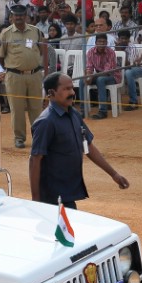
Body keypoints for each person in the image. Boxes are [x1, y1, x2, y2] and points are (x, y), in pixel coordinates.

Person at [29, 72, 128, 208]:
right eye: (66, 89)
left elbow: (88, 146)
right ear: (51, 93)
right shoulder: (46, 122)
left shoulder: (73, 114)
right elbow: (35, 160)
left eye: (71, 88)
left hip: (67, 192)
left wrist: (114, 174)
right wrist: (36, 200)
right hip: (52, 197)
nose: (72, 92)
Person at [0, 4, 46, 149]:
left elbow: (42, 52)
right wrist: (8, 69)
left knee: (36, 108)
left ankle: (38, 137)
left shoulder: (36, 31)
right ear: (11, 17)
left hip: (34, 74)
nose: (19, 18)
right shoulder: (5, 34)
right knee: (17, 109)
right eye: (15, 15)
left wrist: (43, 72)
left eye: (21, 15)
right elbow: (0, 56)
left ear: (26, 16)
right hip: (14, 76)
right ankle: (19, 138)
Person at [85, 33, 120, 120]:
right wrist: (88, 76)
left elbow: (107, 71)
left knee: (100, 80)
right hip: (98, 75)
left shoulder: (110, 52)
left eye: (104, 41)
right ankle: (83, 110)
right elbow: (89, 67)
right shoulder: (90, 52)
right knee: (83, 80)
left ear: (107, 42)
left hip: (113, 76)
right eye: (99, 41)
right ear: (96, 43)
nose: (101, 43)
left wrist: (92, 76)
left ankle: (103, 111)